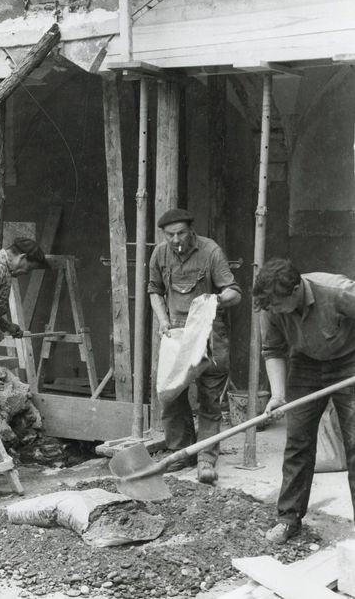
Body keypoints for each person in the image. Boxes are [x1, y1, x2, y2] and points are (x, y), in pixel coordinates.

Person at [253, 257, 355, 544]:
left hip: (349, 362)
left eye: (276, 305)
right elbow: (272, 349)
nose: (272, 311)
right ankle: (288, 519)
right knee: (298, 442)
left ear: (296, 290)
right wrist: (278, 396)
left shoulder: (336, 291)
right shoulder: (270, 305)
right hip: (305, 365)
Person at [148, 208, 241, 483]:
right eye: (170, 235)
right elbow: (154, 290)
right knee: (171, 394)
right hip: (176, 335)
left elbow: (234, 293)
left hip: (209, 334)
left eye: (181, 233)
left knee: (210, 398)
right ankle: (180, 451)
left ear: (191, 231)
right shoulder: (160, 254)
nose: (176, 240)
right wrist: (163, 319)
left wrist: (216, 300)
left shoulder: (211, 251)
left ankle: (205, 459)